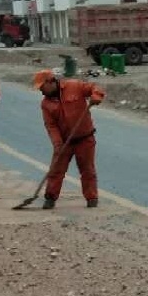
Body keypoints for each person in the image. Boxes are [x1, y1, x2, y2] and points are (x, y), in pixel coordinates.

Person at [33, 69, 106, 209]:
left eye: (42, 87)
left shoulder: (74, 86)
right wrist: (57, 143)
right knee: (56, 170)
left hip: (85, 138)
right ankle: (50, 198)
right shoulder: (46, 104)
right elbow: (51, 125)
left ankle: (92, 198)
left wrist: (96, 95)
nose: (41, 91)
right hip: (64, 142)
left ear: (50, 81)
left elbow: (94, 87)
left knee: (87, 170)